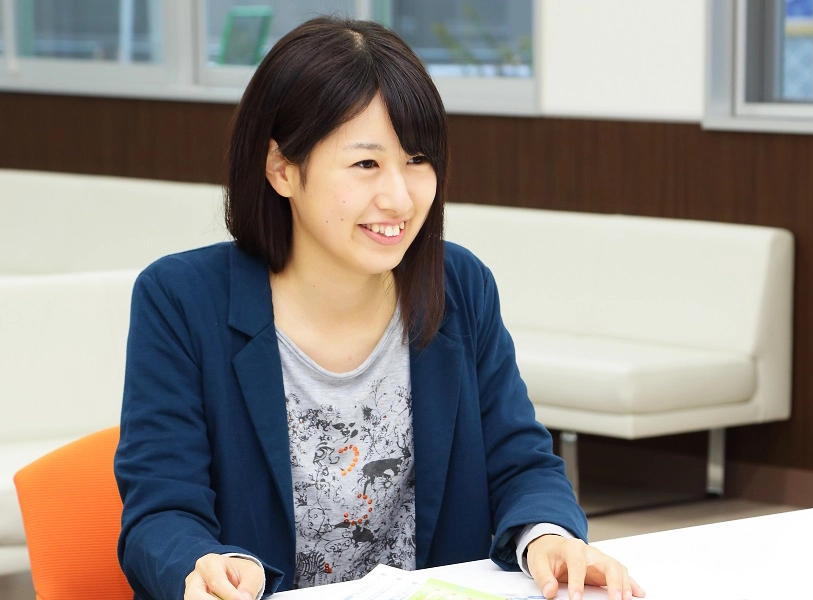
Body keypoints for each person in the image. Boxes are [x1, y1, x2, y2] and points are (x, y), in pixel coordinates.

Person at [114, 17, 643, 600]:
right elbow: (160, 513)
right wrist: (202, 564)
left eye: (417, 160)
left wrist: (547, 535)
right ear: (282, 169)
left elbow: (520, 463)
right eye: (366, 164)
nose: (399, 196)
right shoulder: (182, 300)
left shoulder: (458, 284)